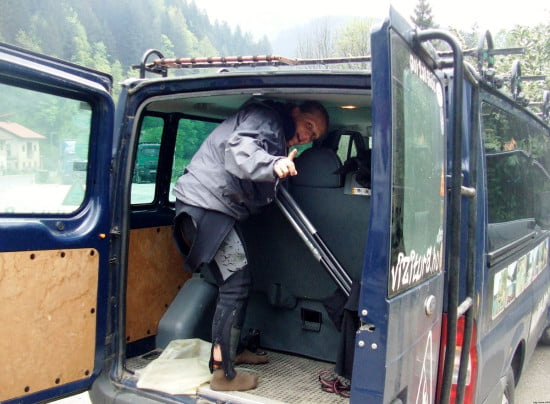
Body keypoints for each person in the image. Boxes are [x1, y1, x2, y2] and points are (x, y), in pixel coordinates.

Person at [172, 99, 329, 391]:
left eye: (314, 136)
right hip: (206, 207)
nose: (308, 137)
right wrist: (273, 164)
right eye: (309, 126)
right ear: (294, 110)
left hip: (209, 208)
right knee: (236, 285)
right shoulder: (267, 118)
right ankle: (222, 375)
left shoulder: (275, 137)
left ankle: (233, 351)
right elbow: (239, 151)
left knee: (237, 283)